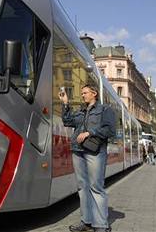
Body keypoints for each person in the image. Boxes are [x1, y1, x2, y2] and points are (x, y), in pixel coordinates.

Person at [60, 84, 115, 232]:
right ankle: (87, 221)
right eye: (82, 93)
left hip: (95, 151)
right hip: (77, 151)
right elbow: (67, 121)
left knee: (96, 187)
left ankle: (101, 225)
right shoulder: (80, 111)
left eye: (85, 93)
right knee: (82, 187)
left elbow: (110, 130)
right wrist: (65, 103)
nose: (82, 95)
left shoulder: (105, 109)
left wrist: (89, 132)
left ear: (94, 93)